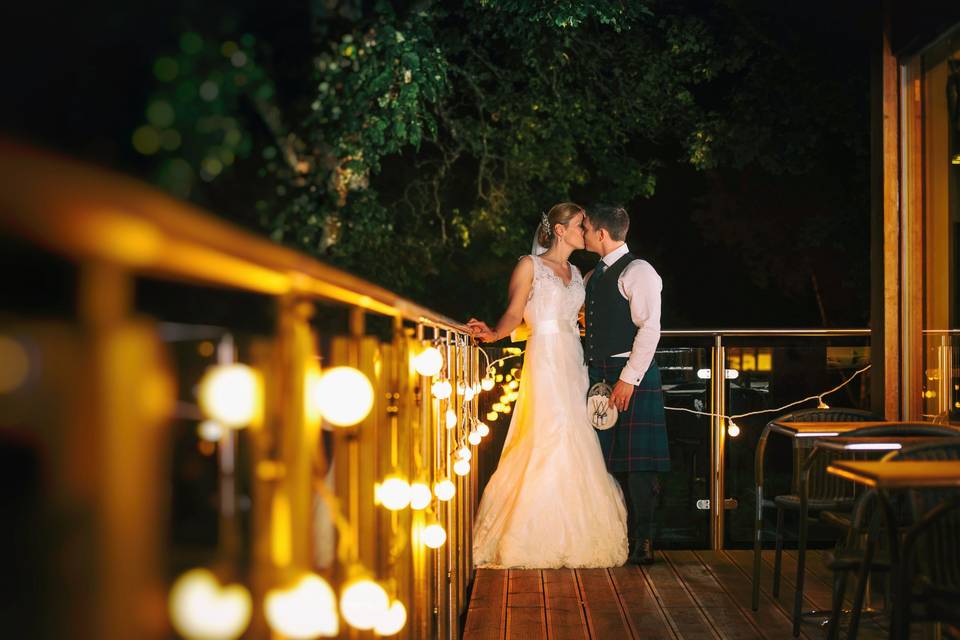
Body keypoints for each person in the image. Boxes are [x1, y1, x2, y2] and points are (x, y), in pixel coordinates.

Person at [466, 202, 627, 568]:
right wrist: (492, 333)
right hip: (545, 359)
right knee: (547, 434)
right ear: (559, 230)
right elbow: (514, 313)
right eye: (580, 224)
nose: (585, 229)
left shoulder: (576, 270)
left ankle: (576, 533)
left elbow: (582, 318)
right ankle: (530, 534)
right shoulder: (530, 265)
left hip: (574, 360)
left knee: (575, 437)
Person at [581, 204, 670, 565]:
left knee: (639, 463)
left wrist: (628, 380)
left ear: (601, 234)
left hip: (630, 374)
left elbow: (650, 330)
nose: (583, 233)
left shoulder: (639, 271)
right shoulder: (592, 277)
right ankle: (610, 536)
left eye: (586, 228)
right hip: (597, 374)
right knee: (600, 457)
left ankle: (644, 541)